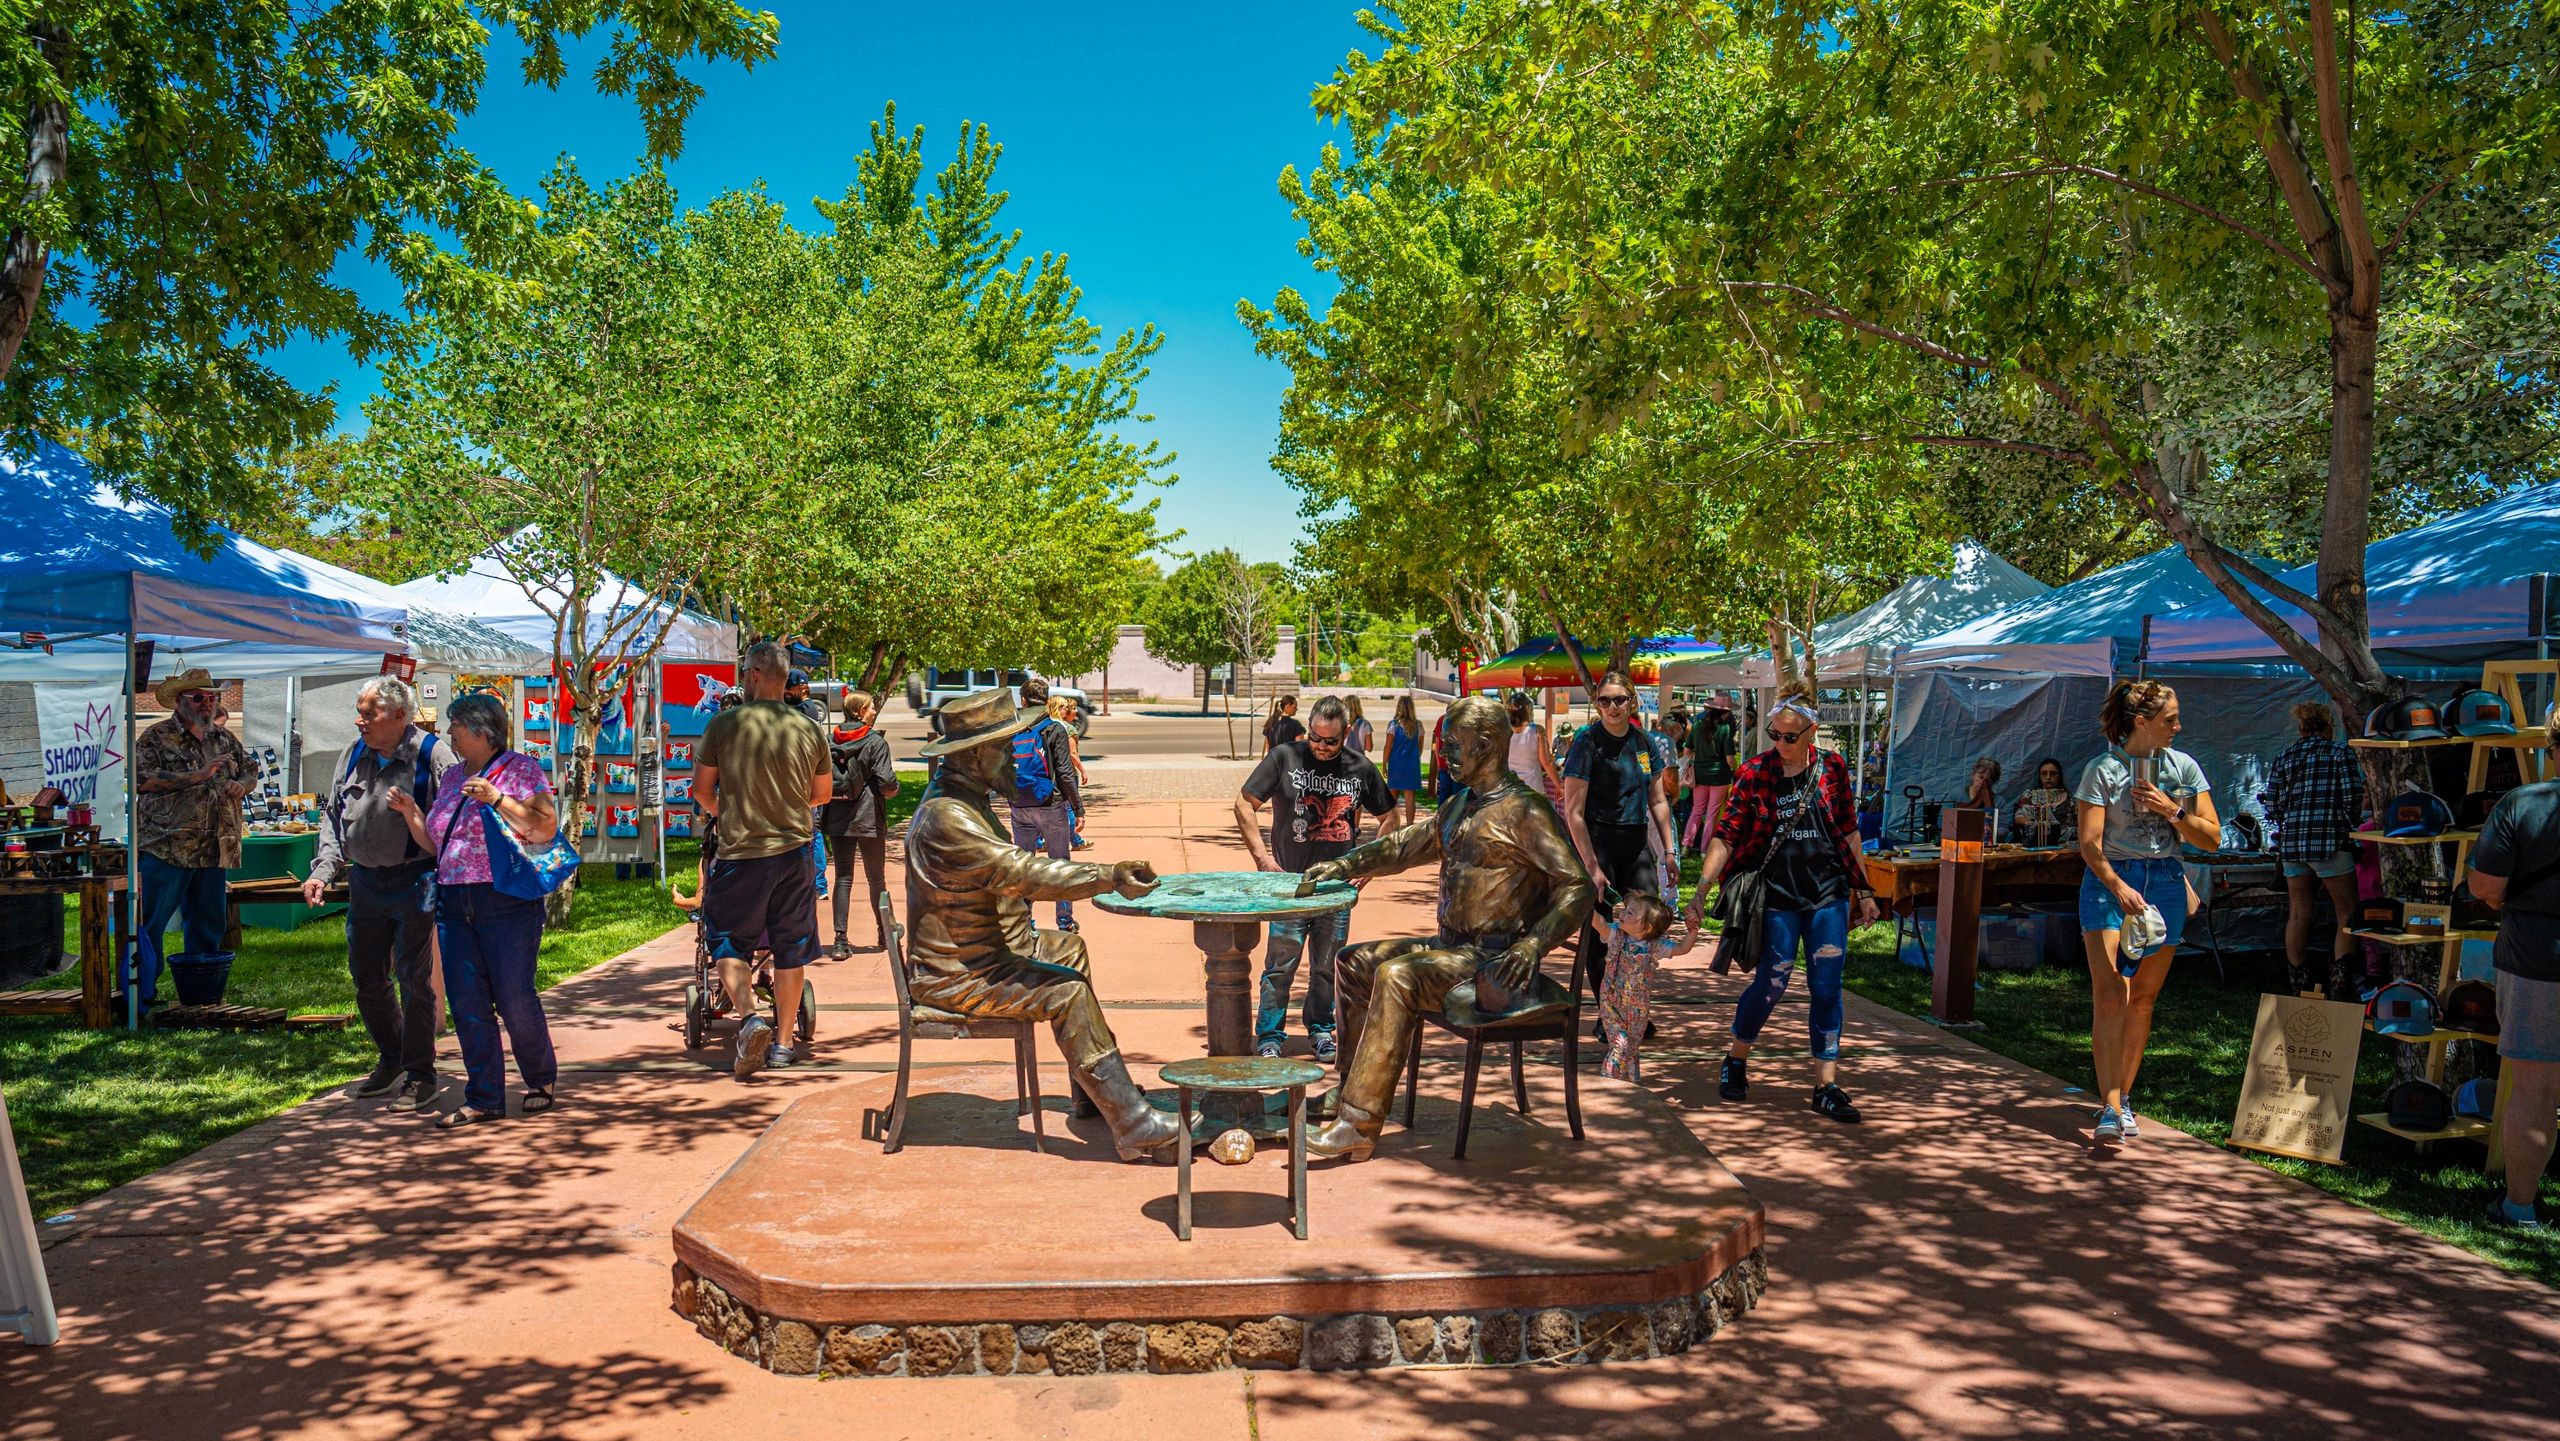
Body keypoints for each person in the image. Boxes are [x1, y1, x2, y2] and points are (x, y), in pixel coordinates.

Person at [1297, 694, 1596, 1160]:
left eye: (1453, 745)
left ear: (1487, 743)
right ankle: (1348, 1086)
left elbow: (1577, 887)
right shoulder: (1460, 806)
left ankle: (1358, 1123)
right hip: (1451, 950)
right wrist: (1342, 865)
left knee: (1398, 977)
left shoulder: (1527, 811)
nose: (1444, 754)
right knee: (1354, 961)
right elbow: (1402, 846)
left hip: (1494, 962)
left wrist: (1535, 945)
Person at [903, 687, 1181, 1160]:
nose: (1017, 757)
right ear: (974, 756)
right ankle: (1134, 1125)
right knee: (1065, 991)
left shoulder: (963, 799)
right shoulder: (949, 819)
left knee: (1068, 950)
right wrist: (1106, 876)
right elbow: (1023, 872)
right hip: (959, 976)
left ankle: (1093, 1092)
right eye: (1007, 748)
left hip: (988, 952)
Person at [1673, 689, 1880, 1123]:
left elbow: (1848, 831)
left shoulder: (1833, 768)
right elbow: (1726, 834)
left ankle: (1826, 1085)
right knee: (1772, 981)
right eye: (1774, 734)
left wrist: (1864, 891)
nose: (1780, 744)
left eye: (1790, 737)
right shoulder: (1753, 773)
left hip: (1828, 893)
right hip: (1777, 897)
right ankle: (1736, 1056)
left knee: (1827, 986)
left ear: (1812, 733)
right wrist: (1701, 889)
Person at [390, 691, 560, 1127]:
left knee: (514, 996)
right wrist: (412, 814)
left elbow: (543, 827)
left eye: (456, 727)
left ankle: (539, 1077)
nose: (449, 734)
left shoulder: (519, 769)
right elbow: (438, 844)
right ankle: (484, 1095)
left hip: (505, 899)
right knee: (467, 1001)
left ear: (482, 731)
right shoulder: (451, 778)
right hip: (452, 898)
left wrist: (497, 799)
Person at [2073, 679, 2219, 1145]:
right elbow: (2089, 844)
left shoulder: (2184, 768)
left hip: (2167, 882)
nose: (2179, 725)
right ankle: (2110, 1106)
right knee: (2112, 992)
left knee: (2144, 999)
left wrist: (2172, 810)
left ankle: (2125, 1096)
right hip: (2110, 882)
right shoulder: (2103, 770)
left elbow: (2211, 838)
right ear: (2142, 722)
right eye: (2170, 718)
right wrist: (2117, 886)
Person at [304, 676, 459, 1111]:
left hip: (415, 879)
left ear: (398, 715)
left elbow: (452, 827)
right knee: (367, 978)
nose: (359, 720)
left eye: (369, 713)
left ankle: (420, 1073)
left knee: (414, 976)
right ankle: (392, 1058)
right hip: (365, 882)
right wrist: (323, 870)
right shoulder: (352, 754)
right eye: (360, 711)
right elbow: (333, 819)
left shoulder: (433, 755)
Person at [696, 641, 834, 1079]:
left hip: (743, 854)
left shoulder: (724, 725)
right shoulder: (809, 729)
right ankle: (783, 1043)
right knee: (791, 947)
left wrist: (729, 811)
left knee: (727, 941)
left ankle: (750, 1018)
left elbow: (701, 790)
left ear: (754, 674)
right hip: (795, 853)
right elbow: (822, 795)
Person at [1235, 695, 1397, 1061]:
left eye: (1331, 741)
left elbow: (1390, 818)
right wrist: (1261, 858)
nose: (1322, 747)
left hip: (1335, 891)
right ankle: (1270, 1036)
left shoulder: (1361, 768)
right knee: (1280, 965)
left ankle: (1322, 1030)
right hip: (1290, 886)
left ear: (1348, 733)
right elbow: (1244, 803)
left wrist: (1368, 865)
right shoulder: (1284, 757)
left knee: (1327, 966)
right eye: (1316, 738)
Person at [2467, 702, 2560, 1231]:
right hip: (2535, 958)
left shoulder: (2523, 803)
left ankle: (2520, 1206)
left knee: (2535, 1090)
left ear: (2551, 747)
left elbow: (2484, 888)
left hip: (2535, 960)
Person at [129, 668, 257, 1010]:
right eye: (199, 697)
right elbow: (140, 778)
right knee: (152, 922)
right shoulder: (156, 737)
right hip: (168, 846)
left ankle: (202, 994)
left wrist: (240, 785)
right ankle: (143, 996)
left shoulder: (223, 739)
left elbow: (250, 769)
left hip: (215, 845)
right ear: (180, 701)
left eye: (212, 697)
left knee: (207, 923)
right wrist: (196, 776)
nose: (207, 704)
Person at [1559, 670, 1679, 1010]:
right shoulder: (1586, 742)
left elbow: (1658, 800)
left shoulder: (1644, 743)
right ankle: (1607, 1013)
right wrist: (1592, 867)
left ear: (1632, 702)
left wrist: (1668, 851)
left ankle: (1632, 1006)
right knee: (1603, 937)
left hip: (1637, 841)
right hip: (1598, 842)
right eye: (1605, 700)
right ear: (1597, 705)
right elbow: (1574, 812)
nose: (1613, 707)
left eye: (1620, 699)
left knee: (1647, 924)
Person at [2265, 702, 2366, 997]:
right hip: (2331, 842)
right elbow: (2353, 796)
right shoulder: (2340, 753)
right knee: (2347, 913)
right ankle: (2339, 983)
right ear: (2328, 726)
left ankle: (2301, 984)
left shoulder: (2284, 757)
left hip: (2294, 846)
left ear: (2301, 728)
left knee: (2298, 913)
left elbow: (2272, 805)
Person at [820, 688, 900, 957]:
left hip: (838, 816)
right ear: (859, 711)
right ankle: (883, 932)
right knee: (876, 877)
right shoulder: (875, 742)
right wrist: (893, 790)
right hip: (868, 817)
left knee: (843, 877)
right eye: (871, 707)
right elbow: (886, 781)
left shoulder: (830, 740)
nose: (874, 711)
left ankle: (840, 941)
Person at [1009, 677, 1085, 933]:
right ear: (1047, 699)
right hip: (1051, 804)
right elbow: (1064, 773)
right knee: (1060, 865)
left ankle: (1025, 921)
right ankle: (1064, 922)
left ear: (1022, 699)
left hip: (1019, 806)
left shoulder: (1013, 728)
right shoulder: (1054, 729)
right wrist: (1077, 807)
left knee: (1024, 867)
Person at [1596, 891, 1675, 1082]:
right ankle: (1611, 1081)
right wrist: (1584, 900)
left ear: (1647, 928)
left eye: (1630, 913)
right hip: (1611, 1003)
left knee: (1630, 1046)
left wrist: (1693, 931)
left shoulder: (1654, 945)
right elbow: (1599, 923)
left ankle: (1629, 1082)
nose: (1622, 914)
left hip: (1638, 1008)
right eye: (1625, 910)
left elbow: (1682, 949)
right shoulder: (1615, 935)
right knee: (1619, 1043)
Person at [1680, 694, 1739, 859]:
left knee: (1697, 811)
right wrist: (1736, 768)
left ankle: (1686, 844)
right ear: (1725, 713)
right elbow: (1729, 759)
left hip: (1700, 774)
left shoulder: (1698, 725)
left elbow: (1686, 751)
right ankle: (1705, 850)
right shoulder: (1725, 729)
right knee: (1712, 813)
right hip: (1720, 776)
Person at [1045, 693, 1093, 849]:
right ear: (1059, 709)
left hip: (1046, 774)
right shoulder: (1066, 728)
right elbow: (1072, 754)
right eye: (1066, 707)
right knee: (1069, 807)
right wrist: (1083, 770)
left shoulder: (1044, 725)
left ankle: (1040, 840)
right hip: (1066, 773)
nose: (1073, 712)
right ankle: (1075, 839)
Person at [1505, 690, 1564, 801]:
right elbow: (1546, 762)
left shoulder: (1503, 732)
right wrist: (1558, 785)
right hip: (1533, 791)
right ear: (1528, 709)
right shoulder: (1537, 730)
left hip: (1510, 791)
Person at [2011, 757, 2074, 848]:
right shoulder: (2030, 795)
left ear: (2059, 776)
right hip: (2036, 842)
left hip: (2064, 844)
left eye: (2053, 774)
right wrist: (2035, 825)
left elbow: (2078, 822)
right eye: (2044, 774)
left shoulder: (2070, 798)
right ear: (2039, 776)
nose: (2048, 777)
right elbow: (2019, 818)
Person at [1382, 695, 1424, 826]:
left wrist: (1384, 764)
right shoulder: (1418, 726)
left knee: (1392, 796)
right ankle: (1409, 825)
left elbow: (1388, 747)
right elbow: (1420, 749)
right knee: (1410, 797)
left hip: (1396, 764)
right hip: (1412, 765)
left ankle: (1393, 824)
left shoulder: (1393, 725)